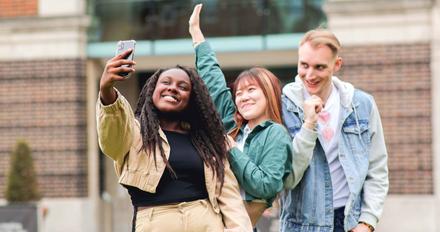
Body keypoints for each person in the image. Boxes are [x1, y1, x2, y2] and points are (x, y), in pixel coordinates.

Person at [96, 49, 253, 232]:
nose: (173, 88)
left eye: (183, 87)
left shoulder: (208, 141)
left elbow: (229, 198)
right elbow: (111, 143)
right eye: (166, 82)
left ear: (191, 100)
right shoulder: (134, 132)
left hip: (207, 224)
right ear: (152, 91)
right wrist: (106, 91)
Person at [189, 4, 293, 228]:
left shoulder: (276, 134)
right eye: (239, 93)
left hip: (244, 221)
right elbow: (214, 83)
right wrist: (197, 36)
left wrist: (232, 150)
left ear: (268, 93)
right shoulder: (234, 126)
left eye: (251, 90)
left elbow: (266, 186)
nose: (243, 97)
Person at [280, 28, 389, 232]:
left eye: (319, 67)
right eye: (304, 65)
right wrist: (309, 124)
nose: (309, 75)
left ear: (336, 64)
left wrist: (367, 222)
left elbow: (377, 169)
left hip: (349, 223)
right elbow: (288, 178)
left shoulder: (362, 105)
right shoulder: (283, 106)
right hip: (301, 226)